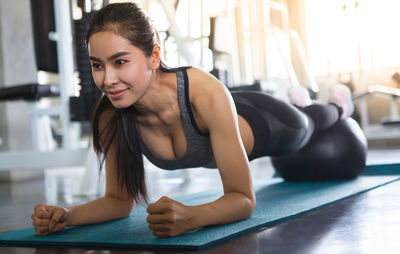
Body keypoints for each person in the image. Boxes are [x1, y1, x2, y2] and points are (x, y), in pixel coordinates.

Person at [31, 2, 357, 238]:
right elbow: (118, 201)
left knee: (309, 122)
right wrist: (68, 215)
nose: (108, 79)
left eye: (120, 62)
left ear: (154, 56)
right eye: (97, 65)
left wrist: (193, 217)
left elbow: (243, 199)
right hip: (224, 110)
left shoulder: (202, 89)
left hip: (268, 121)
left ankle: (336, 102)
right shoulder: (110, 115)